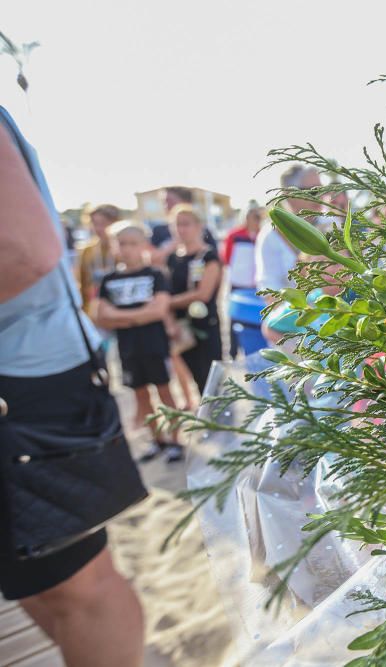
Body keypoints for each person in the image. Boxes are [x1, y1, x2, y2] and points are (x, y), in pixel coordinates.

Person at [0, 106, 144, 666]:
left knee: (74, 581)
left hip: (23, 377)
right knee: (32, 573)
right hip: (31, 368)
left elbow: (22, 251)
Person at [96, 221, 183, 463]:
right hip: (127, 349)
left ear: (143, 245)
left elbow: (159, 309)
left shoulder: (155, 274)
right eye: (121, 244)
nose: (127, 249)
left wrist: (121, 316)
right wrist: (139, 316)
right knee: (140, 396)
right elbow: (102, 316)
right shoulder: (108, 280)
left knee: (166, 393)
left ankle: (176, 439)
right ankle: (157, 439)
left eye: (132, 244)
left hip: (155, 345)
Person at [256, 165, 322, 344]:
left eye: (322, 189)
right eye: (312, 191)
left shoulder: (331, 225)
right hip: (293, 331)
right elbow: (269, 292)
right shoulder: (271, 236)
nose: (320, 196)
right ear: (289, 194)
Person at [167, 205, 223, 397]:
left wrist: (168, 303)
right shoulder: (173, 258)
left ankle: (221, 422)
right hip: (183, 328)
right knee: (197, 380)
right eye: (177, 224)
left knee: (211, 379)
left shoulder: (209, 256)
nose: (181, 229)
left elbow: (203, 293)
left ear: (199, 226)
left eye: (186, 224)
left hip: (205, 326)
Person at [222, 203, 263, 358]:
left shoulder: (260, 235)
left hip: (256, 286)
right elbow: (227, 257)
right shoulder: (235, 235)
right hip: (238, 284)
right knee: (234, 318)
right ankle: (233, 352)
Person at [77, 203, 120, 319]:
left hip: (119, 310)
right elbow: (82, 283)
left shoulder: (123, 249)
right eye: (95, 224)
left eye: (104, 224)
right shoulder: (87, 250)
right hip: (93, 312)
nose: (98, 229)